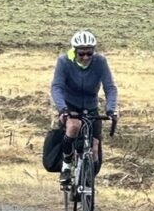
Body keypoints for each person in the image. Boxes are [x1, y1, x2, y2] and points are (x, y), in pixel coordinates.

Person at [50, 30, 118, 188]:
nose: (86, 57)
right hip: (70, 106)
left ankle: (88, 183)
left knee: (94, 149)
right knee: (74, 126)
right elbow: (57, 87)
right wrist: (63, 109)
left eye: (89, 53)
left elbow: (110, 87)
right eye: (82, 54)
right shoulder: (64, 61)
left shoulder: (100, 62)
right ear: (75, 51)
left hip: (91, 106)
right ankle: (66, 165)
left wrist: (111, 109)